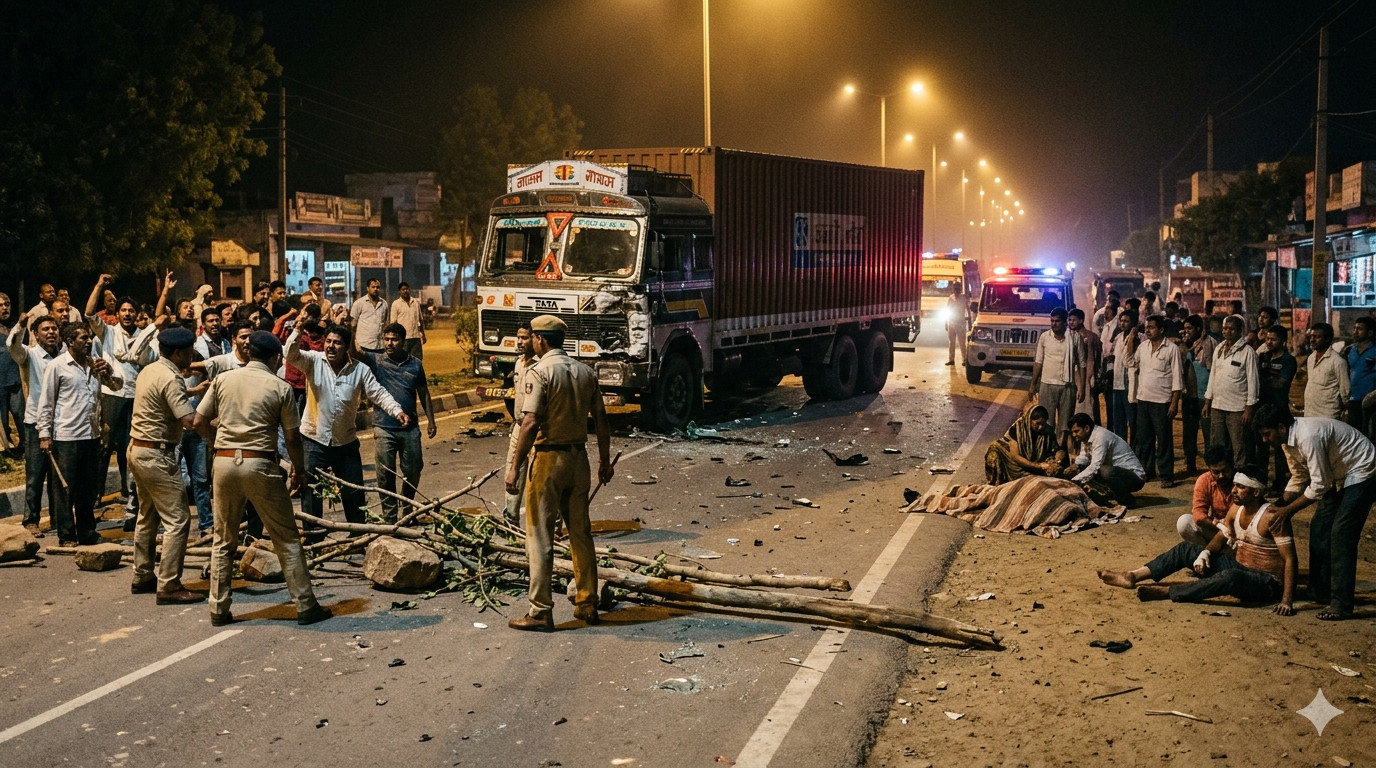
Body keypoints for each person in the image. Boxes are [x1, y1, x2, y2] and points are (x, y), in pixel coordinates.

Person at [194, 331, 330, 626]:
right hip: (260, 464)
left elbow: (198, 421)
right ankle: (306, 605)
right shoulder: (279, 387)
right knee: (286, 538)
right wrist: (299, 471)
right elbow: (293, 438)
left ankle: (218, 608)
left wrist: (216, 443)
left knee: (223, 539)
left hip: (224, 462)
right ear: (274, 358)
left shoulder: (224, 380)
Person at [505, 315, 614, 631]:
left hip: (549, 462)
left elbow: (530, 422)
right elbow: (603, 421)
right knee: (580, 533)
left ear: (539, 339)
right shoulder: (585, 372)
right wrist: (604, 462)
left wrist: (514, 468)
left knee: (539, 536)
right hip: (578, 460)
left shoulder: (539, 373)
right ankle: (587, 602)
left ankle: (540, 611)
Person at [1098, 468, 1296, 614]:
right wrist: (1205, 553)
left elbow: (1290, 559)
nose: (1233, 491)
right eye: (1234, 485)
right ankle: (1133, 575)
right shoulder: (1237, 509)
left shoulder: (1272, 517)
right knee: (1187, 549)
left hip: (1266, 583)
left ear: (1256, 492)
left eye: (1240, 487)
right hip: (1239, 565)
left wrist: (1286, 600)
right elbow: (1222, 535)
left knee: (1230, 576)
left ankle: (1170, 592)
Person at [1257, 404, 1376, 621]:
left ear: (1281, 427)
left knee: (1341, 533)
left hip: (1362, 467)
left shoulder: (1307, 437)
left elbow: (1319, 485)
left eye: (1267, 434)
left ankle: (1341, 604)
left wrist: (1287, 511)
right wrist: (1279, 504)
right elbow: (1299, 477)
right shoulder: (1286, 441)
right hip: (1336, 472)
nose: (1265, 440)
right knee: (1320, 527)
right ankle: (1319, 590)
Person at [285, 323, 409, 526]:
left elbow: (378, 393)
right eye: (328, 342)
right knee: (311, 492)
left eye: (337, 343)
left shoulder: (360, 370)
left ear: (347, 347)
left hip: (346, 442)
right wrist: (298, 330)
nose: (331, 346)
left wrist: (397, 411)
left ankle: (357, 536)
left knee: (354, 492)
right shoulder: (313, 361)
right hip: (313, 440)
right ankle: (313, 536)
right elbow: (290, 354)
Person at [127, 326, 204, 604]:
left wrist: (193, 387)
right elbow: (189, 421)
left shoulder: (150, 369)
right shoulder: (172, 379)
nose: (192, 355)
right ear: (177, 353)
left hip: (138, 449)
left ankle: (143, 574)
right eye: (188, 352)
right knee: (178, 520)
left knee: (147, 515)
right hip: (157, 455)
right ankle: (169, 585)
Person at [37, 322, 122, 546]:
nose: (88, 341)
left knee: (88, 488)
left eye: (89, 338)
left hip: (90, 436)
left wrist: (109, 371)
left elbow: (116, 386)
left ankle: (87, 531)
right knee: (66, 489)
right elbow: (46, 403)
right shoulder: (57, 366)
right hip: (66, 437)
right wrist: (44, 435)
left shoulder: (95, 365)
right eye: (83, 338)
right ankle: (66, 535)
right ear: (70, 342)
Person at [89, 281, 160, 524]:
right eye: (124, 310)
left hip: (138, 398)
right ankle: (95, 497)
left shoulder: (146, 337)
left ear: (137, 314)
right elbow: (89, 313)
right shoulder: (108, 332)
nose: (128, 314)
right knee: (105, 446)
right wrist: (99, 285)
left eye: (131, 311)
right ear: (117, 313)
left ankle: (130, 498)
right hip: (113, 396)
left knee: (131, 450)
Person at [362, 323, 437, 522]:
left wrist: (431, 420)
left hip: (409, 427)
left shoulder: (415, 364)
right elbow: (354, 352)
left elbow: (424, 393)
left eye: (394, 339)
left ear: (403, 341)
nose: (389, 343)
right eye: (386, 339)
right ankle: (390, 518)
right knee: (385, 474)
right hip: (383, 427)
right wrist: (351, 326)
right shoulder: (375, 360)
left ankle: (407, 508)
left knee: (413, 470)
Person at [8, 314, 64, 536]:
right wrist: (21, 325)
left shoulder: (64, 356)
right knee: (35, 474)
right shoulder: (29, 355)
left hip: (61, 423)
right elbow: (12, 345)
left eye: (54, 329)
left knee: (57, 475)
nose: (51, 332)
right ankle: (31, 520)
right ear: (35, 334)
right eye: (45, 329)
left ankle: (58, 518)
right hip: (35, 423)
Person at [1129, 314, 1185, 488]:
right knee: (1145, 439)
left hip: (1162, 401)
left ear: (1161, 330)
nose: (1147, 330)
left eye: (1151, 327)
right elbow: (1129, 362)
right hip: (1144, 399)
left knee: (1164, 439)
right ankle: (1148, 470)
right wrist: (1131, 340)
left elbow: (1177, 377)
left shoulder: (1171, 349)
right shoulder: (1143, 347)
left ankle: (1167, 475)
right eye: (1146, 327)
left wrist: (1174, 402)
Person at [1202, 315, 1260, 468]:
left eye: (1231, 329)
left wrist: (1249, 408)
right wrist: (1208, 401)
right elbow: (1213, 376)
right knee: (1217, 444)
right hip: (1217, 405)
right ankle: (1220, 473)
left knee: (1239, 446)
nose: (1227, 332)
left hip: (1237, 408)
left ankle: (1240, 476)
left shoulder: (1248, 352)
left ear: (1240, 331)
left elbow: (1253, 382)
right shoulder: (1219, 348)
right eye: (1225, 328)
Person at [1063, 412, 1146, 507]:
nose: (1074, 435)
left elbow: (1095, 466)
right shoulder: (1086, 437)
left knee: (1104, 471)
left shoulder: (1100, 436)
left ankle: (1128, 501)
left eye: (1076, 431)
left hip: (1135, 478)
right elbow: (1084, 457)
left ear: (1086, 428)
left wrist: (1074, 481)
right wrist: (1075, 466)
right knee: (1080, 469)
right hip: (1118, 473)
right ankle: (1106, 496)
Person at [1029, 307, 1080, 445]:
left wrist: (1080, 388)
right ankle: (1046, 451)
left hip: (1067, 386)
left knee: (1065, 425)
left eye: (1057, 321)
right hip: (1047, 384)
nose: (1054, 324)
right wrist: (1033, 384)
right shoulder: (1044, 337)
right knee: (1046, 422)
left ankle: (1060, 453)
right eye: (1052, 321)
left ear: (1065, 323)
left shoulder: (1075, 338)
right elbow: (1038, 362)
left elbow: (1080, 364)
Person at [502, 323, 536, 526]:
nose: (520, 342)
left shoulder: (540, 365)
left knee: (540, 478)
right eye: (518, 337)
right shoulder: (518, 364)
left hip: (536, 428)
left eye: (524, 338)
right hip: (518, 426)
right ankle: (510, 521)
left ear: (535, 339)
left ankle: (553, 526)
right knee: (512, 473)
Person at [1258, 325, 1298, 491]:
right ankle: (1260, 481)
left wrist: (1264, 377)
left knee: (1281, 449)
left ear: (1283, 341)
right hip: (1263, 408)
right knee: (1262, 448)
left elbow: (1281, 384)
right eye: (1267, 338)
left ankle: (1280, 483)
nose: (1269, 342)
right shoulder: (1263, 356)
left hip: (1279, 408)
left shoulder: (1288, 360)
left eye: (1273, 339)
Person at [984, 404, 1063, 484]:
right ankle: (996, 484)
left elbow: (1058, 450)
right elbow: (1015, 456)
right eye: (1037, 423)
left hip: (1037, 463)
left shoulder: (1048, 431)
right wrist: (1039, 466)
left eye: (1043, 424)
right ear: (1029, 420)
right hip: (1018, 464)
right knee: (994, 449)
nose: (1041, 427)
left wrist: (1056, 462)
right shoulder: (1018, 429)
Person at [1178, 446, 1234, 546]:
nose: (1221, 476)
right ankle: (1208, 552)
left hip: (1238, 534)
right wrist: (1214, 523)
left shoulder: (1241, 481)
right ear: (1209, 469)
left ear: (1232, 466)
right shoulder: (1204, 480)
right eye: (1216, 472)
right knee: (1184, 522)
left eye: (1225, 471)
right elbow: (1198, 513)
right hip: (1217, 528)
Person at [1180, 315, 1212, 474]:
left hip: (1204, 395)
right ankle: (1190, 466)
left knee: (1208, 434)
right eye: (1185, 329)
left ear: (1198, 329)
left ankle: (1211, 467)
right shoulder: (1184, 346)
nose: (1187, 332)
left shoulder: (1210, 344)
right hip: (1189, 395)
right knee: (1188, 434)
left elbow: (1214, 370)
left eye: (1190, 329)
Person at [1303, 322, 1348, 421]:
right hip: (1309, 413)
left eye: (1317, 337)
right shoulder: (1310, 358)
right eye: (1311, 336)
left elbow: (1345, 391)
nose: (1312, 340)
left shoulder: (1338, 362)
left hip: (1328, 415)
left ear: (1327, 339)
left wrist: (1345, 411)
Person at [1107, 310, 1138, 440]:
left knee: (1133, 421)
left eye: (1126, 321)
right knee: (1118, 421)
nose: (1123, 324)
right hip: (1117, 384)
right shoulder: (1118, 337)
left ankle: (1135, 450)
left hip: (1130, 385)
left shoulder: (1139, 338)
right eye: (1121, 321)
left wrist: (1132, 336)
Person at [1344, 316, 1376, 437]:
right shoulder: (1349, 350)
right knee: (1353, 433)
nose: (1355, 332)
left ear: (1370, 332)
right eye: (1355, 328)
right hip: (1353, 400)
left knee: (1367, 433)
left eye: (1360, 329)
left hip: (1370, 401)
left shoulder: (1374, 351)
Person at [0, 294, 23, 456]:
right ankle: (6, 448)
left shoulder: (16, 326)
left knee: (19, 412)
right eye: (0, 305)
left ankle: (25, 443)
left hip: (16, 378)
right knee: (2, 417)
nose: (4, 308)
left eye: (7, 304)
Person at [1068, 308, 1100, 423]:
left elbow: (1093, 359)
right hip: (1073, 377)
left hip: (1086, 376)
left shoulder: (1090, 337)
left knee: (1087, 409)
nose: (1071, 322)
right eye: (1069, 320)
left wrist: (1090, 378)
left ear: (1081, 321)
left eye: (1074, 320)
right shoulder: (1068, 336)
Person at [350, 278, 388, 354]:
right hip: (363, 345)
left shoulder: (384, 304)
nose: (375, 289)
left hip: (380, 346)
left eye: (378, 287)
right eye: (373, 287)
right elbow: (353, 325)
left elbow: (385, 323)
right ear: (367, 288)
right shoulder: (359, 303)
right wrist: (354, 344)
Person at [390, 282, 426, 360]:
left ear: (409, 290)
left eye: (407, 289)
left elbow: (420, 319)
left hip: (415, 337)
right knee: (403, 360)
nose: (405, 291)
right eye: (403, 289)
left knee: (417, 360)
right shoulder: (396, 304)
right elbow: (393, 323)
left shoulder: (415, 302)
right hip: (403, 339)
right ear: (399, 291)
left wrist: (423, 334)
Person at [945, 292, 967, 366]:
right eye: (955, 287)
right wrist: (946, 322)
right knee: (951, 342)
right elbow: (947, 309)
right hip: (951, 322)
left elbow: (968, 309)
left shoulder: (963, 298)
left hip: (960, 323)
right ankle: (951, 360)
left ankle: (964, 359)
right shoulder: (951, 297)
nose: (956, 289)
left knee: (962, 342)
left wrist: (969, 321)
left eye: (957, 287)